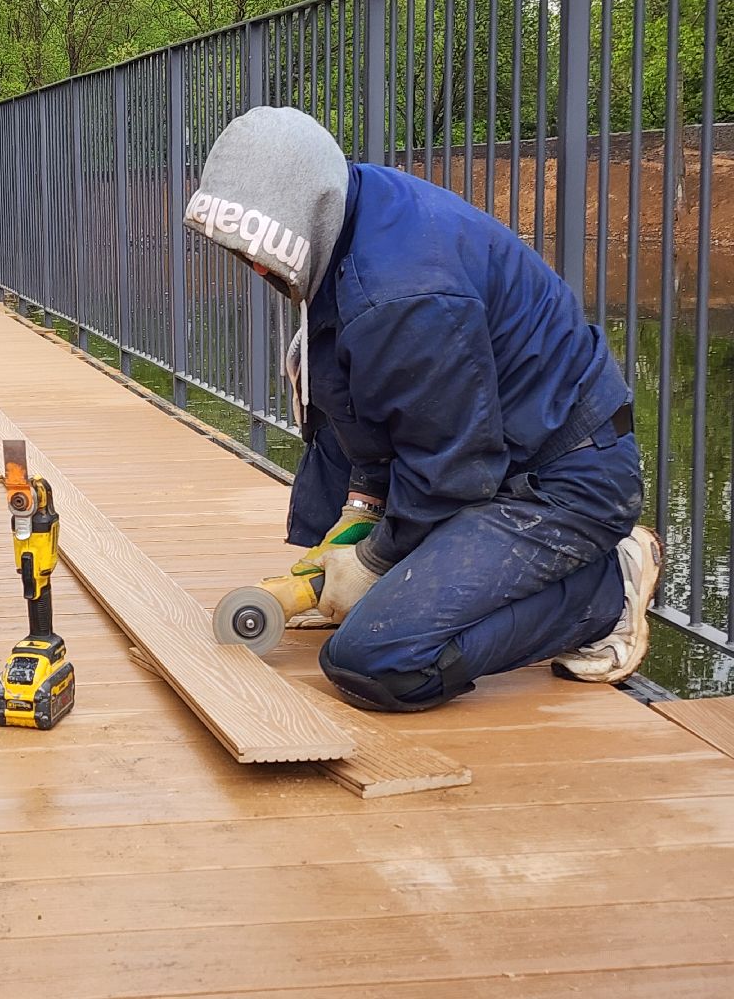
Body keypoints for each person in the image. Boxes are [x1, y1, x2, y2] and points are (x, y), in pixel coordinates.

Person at [184, 106, 662, 712]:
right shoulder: (354, 217)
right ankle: (413, 587)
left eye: (258, 249)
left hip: (563, 483)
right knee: (369, 588)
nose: (255, 267)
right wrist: (359, 520)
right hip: (501, 453)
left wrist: (376, 560)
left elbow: (451, 468)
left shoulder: (403, 294)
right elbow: (378, 415)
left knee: (375, 661)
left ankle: (603, 594)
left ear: (307, 213)